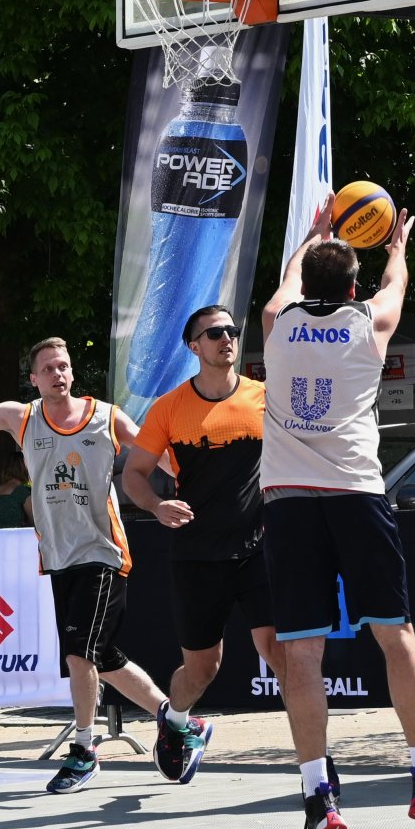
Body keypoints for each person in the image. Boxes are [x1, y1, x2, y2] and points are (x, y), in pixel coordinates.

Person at [259, 196, 415, 829]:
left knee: (301, 652)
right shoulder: (368, 324)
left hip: (289, 500)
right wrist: (397, 246)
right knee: (395, 635)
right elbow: (394, 286)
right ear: (351, 287)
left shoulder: (275, 323)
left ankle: (318, 799)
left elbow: (285, 287)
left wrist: (310, 237)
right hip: (354, 492)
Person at [0, 337, 177, 796]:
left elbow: (160, 453)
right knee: (103, 658)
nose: (58, 374)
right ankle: (175, 719)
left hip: (103, 551)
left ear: (73, 374)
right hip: (58, 556)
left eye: (64, 366)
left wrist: (184, 491)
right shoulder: (21, 417)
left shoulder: (107, 416)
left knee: (79, 654)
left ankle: (83, 750)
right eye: (48, 368)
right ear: (34, 379)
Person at [121, 303, 279, 786]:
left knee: (280, 652)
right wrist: (156, 506)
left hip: (258, 549)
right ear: (194, 347)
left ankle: (315, 772)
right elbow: (133, 474)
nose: (226, 339)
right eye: (213, 334)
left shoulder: (264, 398)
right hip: (196, 556)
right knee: (203, 669)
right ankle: (175, 721)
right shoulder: (168, 408)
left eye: (231, 331)